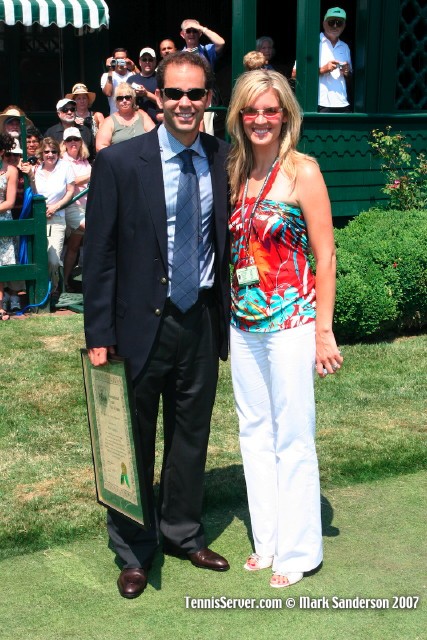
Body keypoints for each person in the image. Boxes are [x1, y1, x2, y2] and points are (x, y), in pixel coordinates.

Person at [83, 50, 231, 599]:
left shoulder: (225, 158)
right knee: (132, 440)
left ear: (208, 98)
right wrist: (98, 333)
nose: (184, 103)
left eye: (195, 94)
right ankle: (133, 550)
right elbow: (99, 255)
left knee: (191, 435)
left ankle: (181, 532)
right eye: (174, 93)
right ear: (158, 97)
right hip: (138, 325)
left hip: (202, 319)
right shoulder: (121, 163)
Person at [226, 70, 343, 588]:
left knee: (292, 435)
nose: (261, 119)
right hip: (243, 323)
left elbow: (326, 255)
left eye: (270, 110)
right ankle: (268, 540)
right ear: (239, 115)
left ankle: (298, 551)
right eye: (252, 109)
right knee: (254, 431)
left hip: (292, 321)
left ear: (286, 115)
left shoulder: (303, 171)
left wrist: (324, 332)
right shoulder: (235, 169)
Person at [22, 137, 75, 303]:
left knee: (53, 259)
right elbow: (34, 192)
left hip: (57, 218)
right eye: (46, 152)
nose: (50, 155)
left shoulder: (65, 167)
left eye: (53, 151)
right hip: (38, 219)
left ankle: (54, 287)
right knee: (39, 257)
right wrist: (31, 176)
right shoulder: (36, 169)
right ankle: (42, 291)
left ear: (58, 153)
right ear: (41, 153)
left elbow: (70, 191)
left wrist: (56, 207)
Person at [292, 7, 352, 112]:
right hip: (318, 104)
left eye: (339, 23)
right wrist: (322, 70)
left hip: (342, 103)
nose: (335, 26)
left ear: (344, 26)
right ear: (324, 24)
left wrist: (347, 72)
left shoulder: (345, 47)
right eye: (331, 22)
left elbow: (350, 79)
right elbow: (295, 75)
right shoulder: (311, 43)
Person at [180, 18, 225, 135]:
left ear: (199, 33)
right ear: (182, 34)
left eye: (195, 31)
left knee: (207, 131)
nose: (191, 34)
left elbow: (221, 43)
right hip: (185, 96)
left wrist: (202, 28)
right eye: (188, 31)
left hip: (204, 95)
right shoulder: (178, 56)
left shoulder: (206, 50)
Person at [60, 128, 91, 291]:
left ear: (81, 142)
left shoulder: (84, 161)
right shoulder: (62, 161)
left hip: (88, 206)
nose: (73, 142)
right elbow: (73, 181)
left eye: (76, 139)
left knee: (73, 246)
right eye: (69, 139)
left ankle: (65, 282)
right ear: (64, 143)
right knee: (95, 231)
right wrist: (93, 174)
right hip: (71, 207)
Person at [95, 83, 155, 152]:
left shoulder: (142, 115)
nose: (124, 101)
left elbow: (154, 136)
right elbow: (100, 146)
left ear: (133, 99)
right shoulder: (109, 121)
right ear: (116, 101)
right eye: (120, 98)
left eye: (127, 97)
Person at [0, 133, 18, 320]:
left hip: (3, 219)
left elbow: (10, 202)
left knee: (1, 265)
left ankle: (1, 305)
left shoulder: (11, 170)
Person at [100, 48, 138, 115]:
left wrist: (133, 66)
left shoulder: (133, 74)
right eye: (117, 59)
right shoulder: (106, 75)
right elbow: (108, 93)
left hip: (132, 116)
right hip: (115, 116)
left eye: (123, 59)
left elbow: (144, 82)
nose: (120, 61)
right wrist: (110, 69)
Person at [126, 48, 159, 124]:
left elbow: (163, 102)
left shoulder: (160, 79)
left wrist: (146, 94)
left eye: (150, 60)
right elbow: (125, 101)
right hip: (135, 122)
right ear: (140, 62)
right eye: (144, 60)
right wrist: (133, 95)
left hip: (155, 122)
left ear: (155, 62)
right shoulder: (131, 79)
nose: (147, 62)